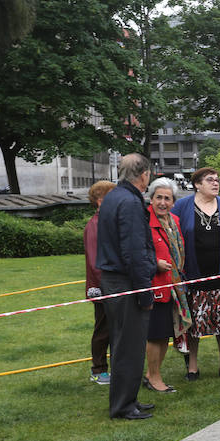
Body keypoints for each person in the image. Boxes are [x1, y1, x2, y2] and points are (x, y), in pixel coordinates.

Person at [173, 167, 220, 380]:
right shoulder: (182, 206)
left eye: (217, 180)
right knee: (193, 324)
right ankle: (192, 367)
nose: (216, 183)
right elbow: (170, 230)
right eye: (210, 180)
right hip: (193, 276)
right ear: (197, 184)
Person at [96, 154, 157, 420]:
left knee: (124, 343)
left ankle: (128, 398)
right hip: (125, 281)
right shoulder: (130, 202)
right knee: (129, 345)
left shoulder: (113, 196)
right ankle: (123, 406)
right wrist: (145, 291)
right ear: (143, 174)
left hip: (114, 279)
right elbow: (134, 252)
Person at [143, 177, 190, 394]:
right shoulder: (143, 222)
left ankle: (152, 374)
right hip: (154, 287)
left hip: (173, 286)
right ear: (150, 199)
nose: (163, 202)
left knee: (165, 334)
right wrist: (154, 264)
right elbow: (135, 253)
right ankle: (154, 377)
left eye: (167, 198)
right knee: (155, 335)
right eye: (159, 197)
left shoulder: (175, 221)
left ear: (173, 202)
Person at [84, 180, 116, 385]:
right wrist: (103, 287)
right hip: (102, 287)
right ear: (101, 200)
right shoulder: (95, 225)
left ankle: (114, 367)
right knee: (103, 329)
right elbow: (96, 261)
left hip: (112, 285)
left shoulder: (108, 223)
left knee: (114, 329)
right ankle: (98, 369)